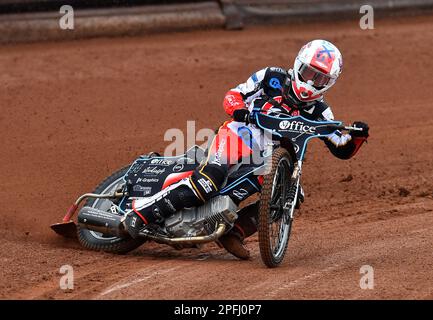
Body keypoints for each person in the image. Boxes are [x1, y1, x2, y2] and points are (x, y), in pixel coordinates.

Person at [124, 39, 369, 259]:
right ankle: (140, 214)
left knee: (290, 195)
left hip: (269, 159)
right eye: (308, 73)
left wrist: (357, 136)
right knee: (208, 182)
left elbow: (340, 146)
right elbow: (233, 95)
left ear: (330, 83)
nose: (311, 82)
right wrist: (239, 109)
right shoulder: (272, 77)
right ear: (298, 65)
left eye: (320, 79)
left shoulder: (321, 112)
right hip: (240, 135)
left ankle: (234, 233)